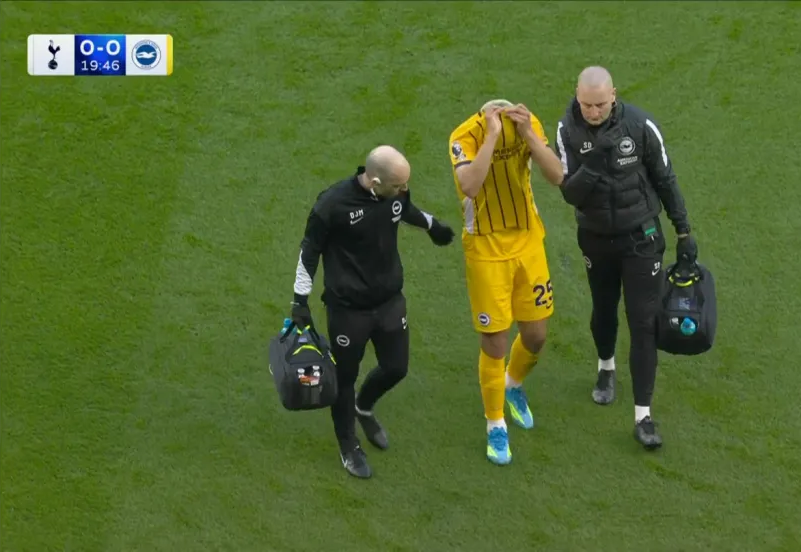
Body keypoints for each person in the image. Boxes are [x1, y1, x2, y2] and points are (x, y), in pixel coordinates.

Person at [554, 66, 700, 450]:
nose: (593, 112)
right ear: (577, 96)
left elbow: (666, 179)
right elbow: (570, 193)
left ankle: (643, 415)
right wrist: (595, 162)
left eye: (601, 105)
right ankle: (606, 367)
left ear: (614, 95)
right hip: (596, 238)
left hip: (641, 237)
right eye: (587, 105)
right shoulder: (566, 131)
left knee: (643, 321)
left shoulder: (640, 125)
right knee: (604, 310)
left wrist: (684, 231)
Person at [289, 145, 456, 478]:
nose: (404, 189)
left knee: (396, 368)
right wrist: (299, 301)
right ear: (375, 181)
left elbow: (403, 208)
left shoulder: (393, 192)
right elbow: (309, 251)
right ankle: (348, 445)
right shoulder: (332, 205)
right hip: (348, 311)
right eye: (399, 185)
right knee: (345, 378)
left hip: (389, 302)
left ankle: (363, 407)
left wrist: (432, 226)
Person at [447, 99, 564, 465]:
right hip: (486, 251)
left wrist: (528, 134)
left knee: (536, 335)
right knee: (495, 341)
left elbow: (557, 175)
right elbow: (470, 184)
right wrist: (492, 137)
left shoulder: (528, 123)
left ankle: (513, 384)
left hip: (529, 244)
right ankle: (495, 423)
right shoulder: (464, 136)